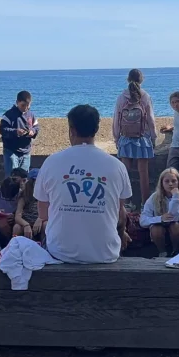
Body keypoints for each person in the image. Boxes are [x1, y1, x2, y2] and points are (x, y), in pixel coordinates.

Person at [35, 104, 133, 264]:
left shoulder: (51, 162)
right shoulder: (117, 166)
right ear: (96, 129)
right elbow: (119, 210)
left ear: (71, 130)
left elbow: (43, 214)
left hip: (61, 252)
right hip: (106, 253)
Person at [113, 69, 157, 207]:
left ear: (128, 79)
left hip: (126, 138)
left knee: (125, 173)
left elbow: (116, 119)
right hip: (142, 138)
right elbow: (150, 119)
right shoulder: (145, 96)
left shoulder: (121, 97)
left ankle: (126, 204)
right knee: (143, 173)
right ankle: (145, 203)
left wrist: (116, 137)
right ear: (142, 79)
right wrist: (153, 136)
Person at [140, 167, 179, 257]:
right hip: (158, 224)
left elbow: (175, 217)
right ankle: (162, 252)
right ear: (161, 183)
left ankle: (175, 251)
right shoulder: (154, 197)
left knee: (176, 227)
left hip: (174, 224)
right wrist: (160, 218)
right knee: (156, 230)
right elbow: (143, 221)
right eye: (167, 181)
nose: (170, 184)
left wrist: (175, 197)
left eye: (174, 181)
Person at [0, 90, 39, 178]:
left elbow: (36, 127)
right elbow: (2, 129)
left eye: (28, 105)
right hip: (11, 151)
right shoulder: (9, 115)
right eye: (23, 105)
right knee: (12, 178)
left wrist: (33, 131)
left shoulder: (31, 115)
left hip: (26, 151)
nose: (25, 108)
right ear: (17, 102)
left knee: (24, 178)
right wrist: (15, 132)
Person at [14, 168, 45, 241]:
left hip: (40, 222)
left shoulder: (45, 195)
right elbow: (17, 216)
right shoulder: (24, 196)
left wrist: (40, 219)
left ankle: (45, 245)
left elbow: (50, 211)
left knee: (46, 225)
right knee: (17, 228)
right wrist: (26, 225)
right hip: (26, 222)